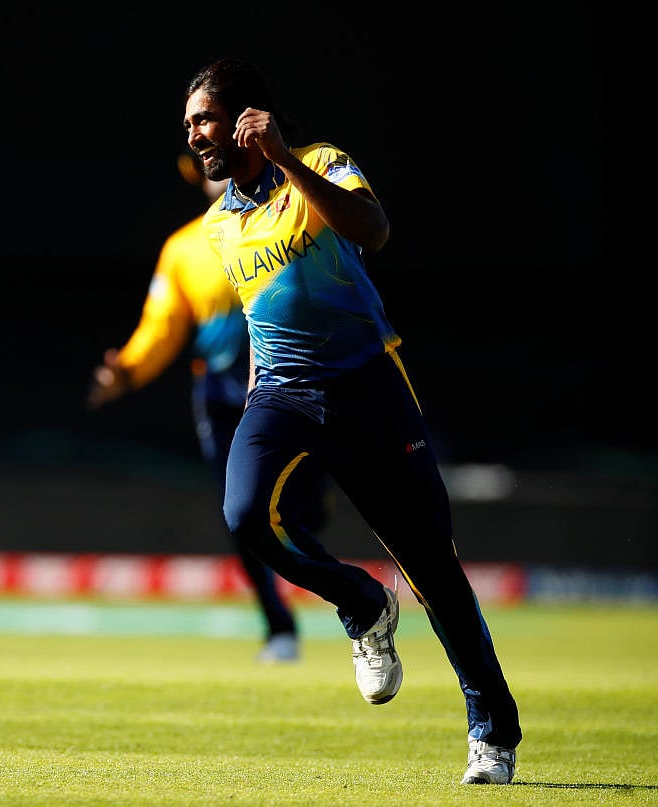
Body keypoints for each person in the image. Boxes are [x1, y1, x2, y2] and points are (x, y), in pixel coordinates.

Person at [181, 58, 521, 784]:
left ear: (247, 117)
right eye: (188, 125)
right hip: (282, 394)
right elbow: (261, 313)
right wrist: (257, 394)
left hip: (368, 385)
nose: (194, 135)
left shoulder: (322, 161)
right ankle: (363, 604)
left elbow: (374, 229)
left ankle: (492, 732)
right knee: (245, 515)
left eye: (204, 119)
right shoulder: (217, 224)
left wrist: (284, 160)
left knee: (432, 569)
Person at [87, 153, 331, 663]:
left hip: (297, 388)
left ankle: (352, 595)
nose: (211, 172)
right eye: (203, 166)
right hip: (222, 399)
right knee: (243, 516)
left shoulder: (286, 217)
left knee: (303, 512)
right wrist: (127, 370)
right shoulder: (183, 249)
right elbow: (161, 325)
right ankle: (279, 627)